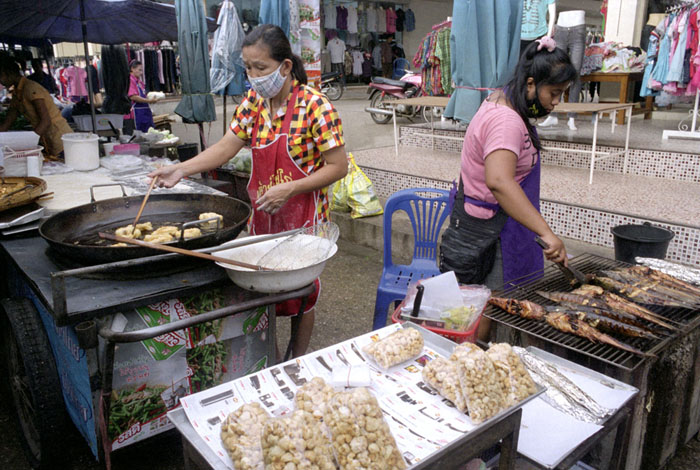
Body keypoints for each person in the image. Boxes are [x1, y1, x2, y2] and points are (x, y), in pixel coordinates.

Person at [149, 24, 347, 358]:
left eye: (262, 68)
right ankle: (266, 356)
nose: (254, 76)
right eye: (248, 68)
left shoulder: (316, 106)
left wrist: (291, 188)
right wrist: (180, 169)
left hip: (304, 222)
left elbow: (338, 167)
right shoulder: (254, 103)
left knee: (302, 295)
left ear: (285, 67)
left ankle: (294, 360)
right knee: (263, 291)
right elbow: (226, 147)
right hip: (264, 220)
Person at [440, 37, 576, 292]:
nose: (557, 102)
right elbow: (499, 181)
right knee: (489, 305)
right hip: (494, 229)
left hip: (500, 223)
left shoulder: (502, 98)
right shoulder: (505, 121)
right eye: (554, 93)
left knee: (488, 302)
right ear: (531, 84)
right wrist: (547, 233)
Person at [0, 56, 73, 157]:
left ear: (9, 73)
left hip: (60, 140)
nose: (1, 82)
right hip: (47, 141)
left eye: (1, 76)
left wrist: (29, 143)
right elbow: (8, 121)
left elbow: (46, 121)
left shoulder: (30, 88)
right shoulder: (17, 94)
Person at [124, 60, 157, 133]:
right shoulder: (130, 80)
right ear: (132, 69)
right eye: (139, 70)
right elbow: (133, 97)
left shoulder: (139, 82)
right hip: (135, 115)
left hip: (144, 113)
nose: (141, 73)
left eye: (142, 70)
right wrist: (149, 101)